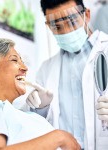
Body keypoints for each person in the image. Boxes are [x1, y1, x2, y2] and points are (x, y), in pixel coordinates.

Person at [0, 38, 80, 150]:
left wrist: (41, 109)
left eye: (22, 61)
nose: (25, 68)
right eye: (14, 60)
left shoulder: (23, 114)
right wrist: (59, 137)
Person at [26, 0, 108, 150]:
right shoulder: (46, 69)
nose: (66, 31)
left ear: (86, 15)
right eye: (57, 26)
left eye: (71, 21)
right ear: (48, 27)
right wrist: (40, 109)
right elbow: (37, 128)